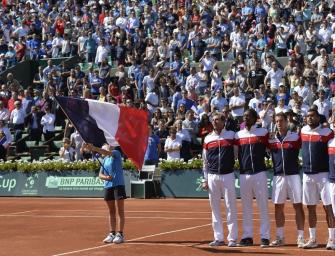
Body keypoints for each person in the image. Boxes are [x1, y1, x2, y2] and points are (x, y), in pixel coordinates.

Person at [267, 112, 305, 247]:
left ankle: (300, 237)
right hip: (278, 177)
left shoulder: (295, 137)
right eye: (276, 121)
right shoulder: (271, 139)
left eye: (281, 121)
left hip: (293, 176)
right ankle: (280, 237)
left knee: (298, 206)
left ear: (287, 122)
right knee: (278, 207)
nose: (279, 123)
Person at [235, 108, 270, 247]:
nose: (245, 118)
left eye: (248, 116)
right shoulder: (238, 135)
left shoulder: (263, 132)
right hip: (244, 175)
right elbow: (235, 154)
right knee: (246, 207)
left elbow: (271, 147)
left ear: (255, 118)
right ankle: (247, 236)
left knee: (263, 206)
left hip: (260, 173)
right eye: (244, 116)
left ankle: (265, 237)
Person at [300, 108, 335, 249]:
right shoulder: (302, 131)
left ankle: (332, 239)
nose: (309, 118)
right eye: (308, 116)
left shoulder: (327, 133)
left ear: (318, 118)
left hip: (323, 175)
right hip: (307, 175)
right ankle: (313, 238)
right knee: (310, 208)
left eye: (312, 116)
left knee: (328, 208)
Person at [202, 113, 238, 247]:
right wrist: (205, 179)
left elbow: (235, 154)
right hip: (212, 176)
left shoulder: (231, 135)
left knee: (230, 206)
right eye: (213, 120)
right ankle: (218, 238)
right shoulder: (207, 139)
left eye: (217, 120)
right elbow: (204, 161)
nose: (215, 122)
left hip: (228, 175)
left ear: (224, 122)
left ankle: (232, 238)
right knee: (215, 208)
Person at [86, 143, 126, 244]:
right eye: (107, 145)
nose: (109, 146)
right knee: (111, 210)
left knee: (120, 210)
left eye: (109, 145)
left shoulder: (116, 153)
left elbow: (106, 152)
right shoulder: (104, 160)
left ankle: (120, 234)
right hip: (108, 186)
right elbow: (100, 175)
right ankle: (112, 233)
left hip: (118, 185)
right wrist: (107, 178)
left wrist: (94, 148)